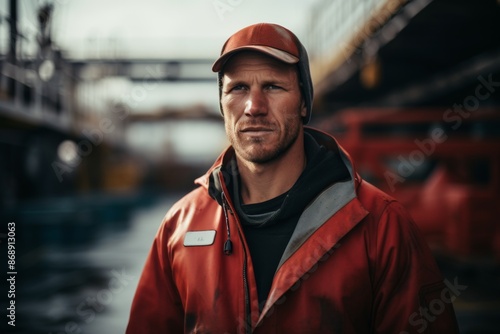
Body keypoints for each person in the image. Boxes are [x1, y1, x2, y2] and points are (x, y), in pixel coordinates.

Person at [126, 23, 460, 333]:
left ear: (303, 103)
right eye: (238, 88)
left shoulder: (381, 224)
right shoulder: (178, 228)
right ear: (222, 104)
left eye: (272, 86)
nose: (254, 106)